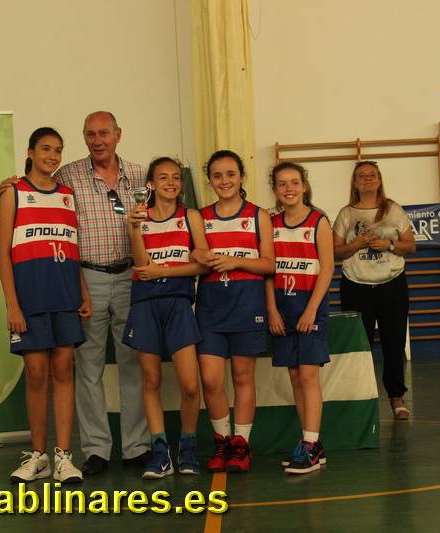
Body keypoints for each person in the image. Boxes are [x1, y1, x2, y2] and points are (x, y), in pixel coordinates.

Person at [0, 111, 151, 475]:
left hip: (130, 276)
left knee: (133, 365)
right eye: (90, 134)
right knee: (86, 370)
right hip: (86, 277)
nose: (98, 140)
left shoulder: (140, 175)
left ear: (118, 134)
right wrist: (7, 187)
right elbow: (31, 189)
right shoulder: (68, 176)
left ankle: (136, 448)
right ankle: (96, 450)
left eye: (104, 133)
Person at [0, 127, 91, 484]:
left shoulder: (67, 195)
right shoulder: (14, 192)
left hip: (64, 296)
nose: (52, 156)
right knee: (37, 374)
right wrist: (12, 305)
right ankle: (38, 457)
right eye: (46, 149)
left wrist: (83, 291)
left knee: (64, 370)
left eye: (58, 150)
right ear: (31, 152)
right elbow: (3, 252)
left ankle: (64, 457)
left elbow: (71, 246)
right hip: (30, 298)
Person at [123, 157, 209, 479]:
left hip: (178, 303)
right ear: (151, 184)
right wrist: (134, 228)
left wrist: (163, 271)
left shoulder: (190, 216)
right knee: (151, 381)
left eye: (175, 177)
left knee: (190, 385)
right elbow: (140, 264)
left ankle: (188, 448)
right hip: (145, 303)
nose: (171, 182)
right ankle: (160, 453)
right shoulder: (138, 217)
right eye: (163, 177)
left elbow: (202, 264)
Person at [192, 150, 275, 473]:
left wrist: (235, 261)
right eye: (217, 175)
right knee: (211, 380)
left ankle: (240, 444)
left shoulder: (258, 215)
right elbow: (192, 255)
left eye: (230, 174)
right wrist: (199, 255)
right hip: (211, 308)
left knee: (242, 377)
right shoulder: (200, 217)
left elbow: (269, 264)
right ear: (209, 180)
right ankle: (222, 441)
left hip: (247, 306)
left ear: (241, 177)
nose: (224, 180)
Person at [332, 161, 416, 420]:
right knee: (360, 345)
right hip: (355, 285)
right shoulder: (346, 214)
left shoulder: (394, 210)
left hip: (392, 284)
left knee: (394, 343)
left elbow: (410, 246)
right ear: (355, 183)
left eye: (372, 175)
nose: (367, 179)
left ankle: (396, 397)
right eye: (361, 176)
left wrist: (389, 244)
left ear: (379, 181)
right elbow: (334, 251)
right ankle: (361, 396)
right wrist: (356, 244)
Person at [265, 162, 334, 474]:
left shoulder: (318, 221)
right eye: (282, 184)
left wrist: (311, 310)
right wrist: (272, 309)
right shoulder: (271, 223)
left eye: (294, 182)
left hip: (310, 309)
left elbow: (327, 268)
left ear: (304, 186)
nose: (289, 188)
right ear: (275, 190)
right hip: (283, 310)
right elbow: (268, 270)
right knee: (294, 378)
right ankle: (311, 442)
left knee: (308, 377)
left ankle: (310, 443)